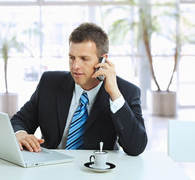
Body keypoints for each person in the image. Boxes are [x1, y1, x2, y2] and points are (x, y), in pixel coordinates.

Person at [11, 22, 147, 156]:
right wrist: (20, 134)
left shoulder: (126, 92)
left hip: (95, 171)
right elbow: (19, 121)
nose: (75, 66)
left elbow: (136, 147)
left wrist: (114, 95)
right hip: (51, 168)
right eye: (72, 58)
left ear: (103, 60)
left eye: (84, 59)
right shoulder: (50, 83)